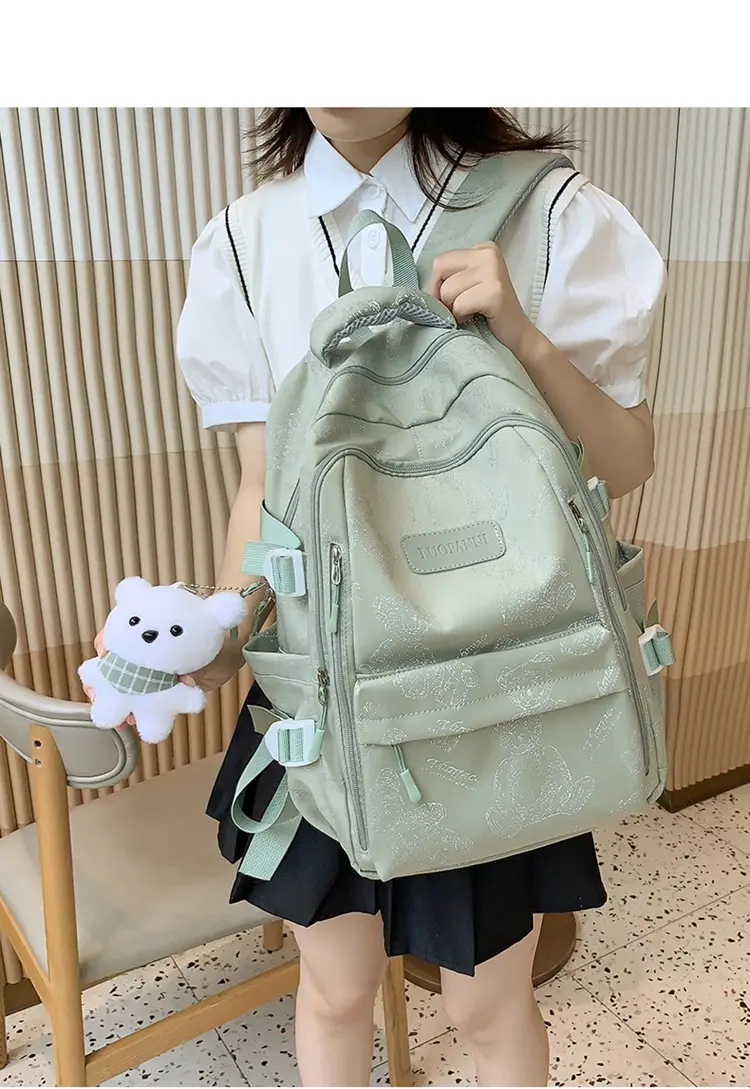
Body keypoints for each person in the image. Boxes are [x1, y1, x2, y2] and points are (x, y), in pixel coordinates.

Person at [131, 109, 667, 1087]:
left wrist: (524, 339)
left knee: (485, 1005)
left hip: (492, 694)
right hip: (322, 694)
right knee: (335, 992)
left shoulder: (551, 214)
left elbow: (625, 463)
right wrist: (224, 623)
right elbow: (263, 488)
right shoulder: (246, 240)